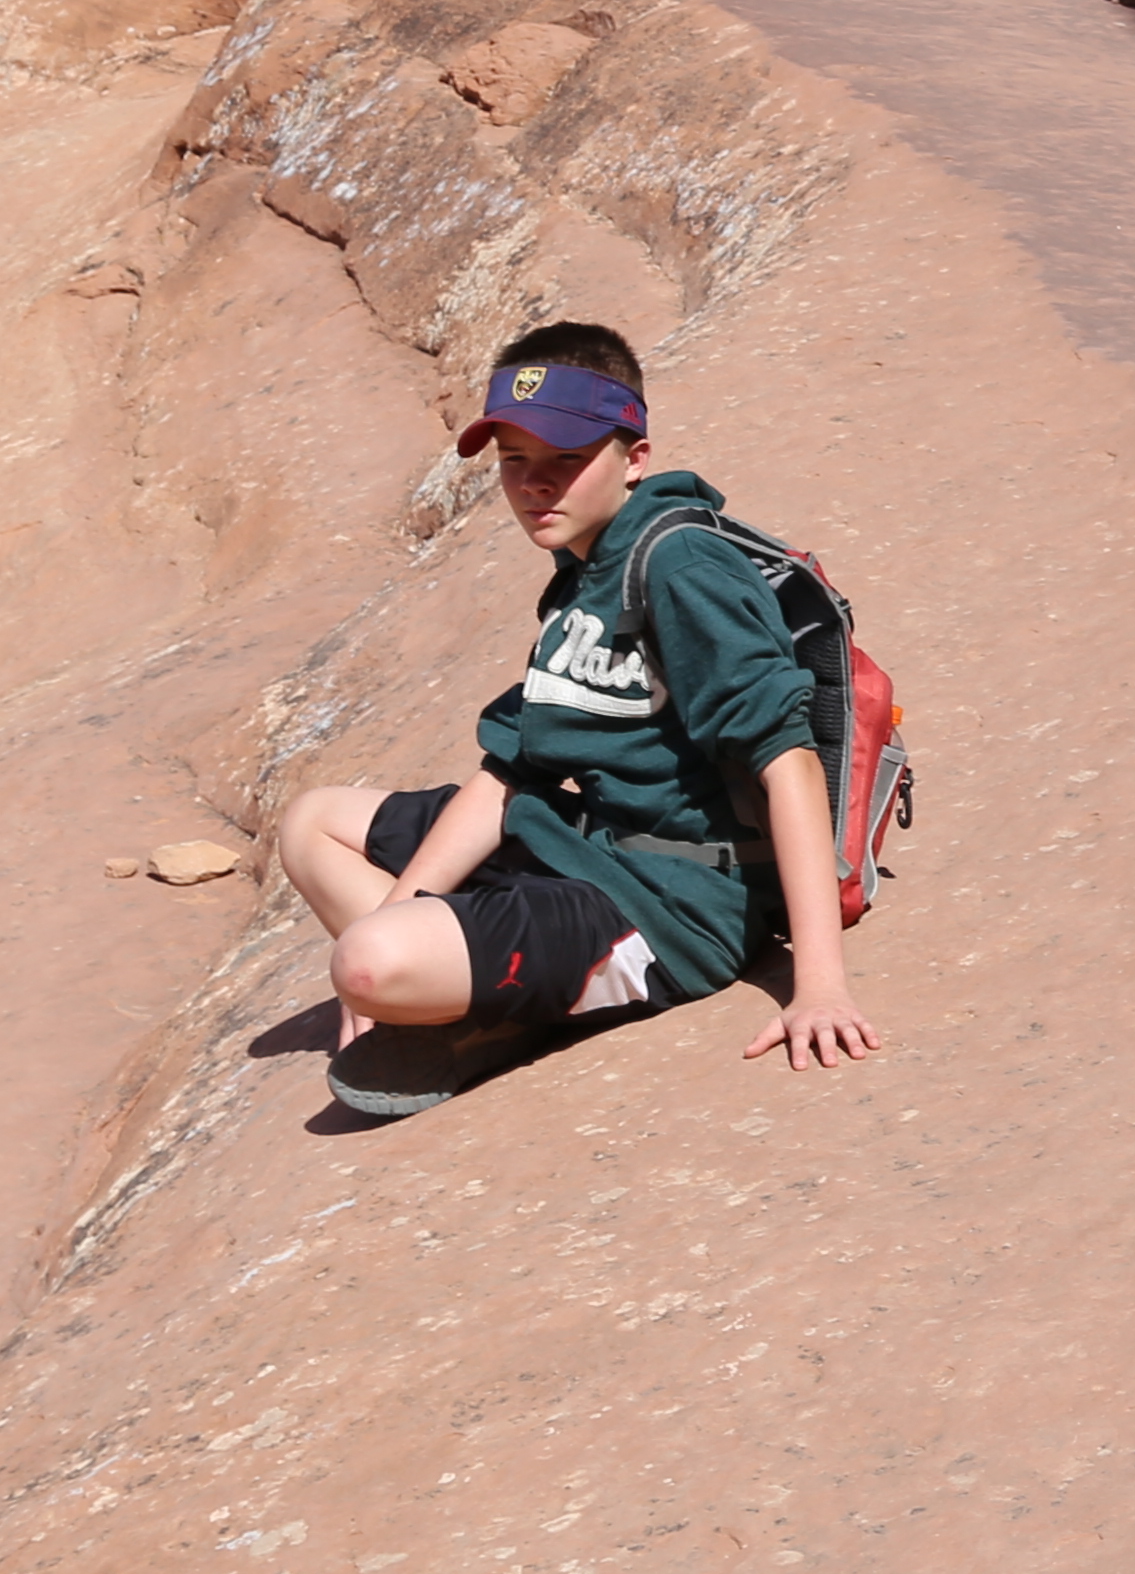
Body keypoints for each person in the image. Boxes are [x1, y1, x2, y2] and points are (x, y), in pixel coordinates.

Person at [272, 322, 881, 1075]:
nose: (535, 485)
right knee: (312, 826)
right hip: (586, 848)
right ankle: (478, 985)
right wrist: (405, 908)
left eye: (566, 459)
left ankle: (490, 992)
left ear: (637, 459)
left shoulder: (679, 562)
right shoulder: (581, 572)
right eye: (515, 461)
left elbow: (785, 760)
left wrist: (819, 986)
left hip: (671, 904)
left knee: (365, 960)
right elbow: (511, 772)